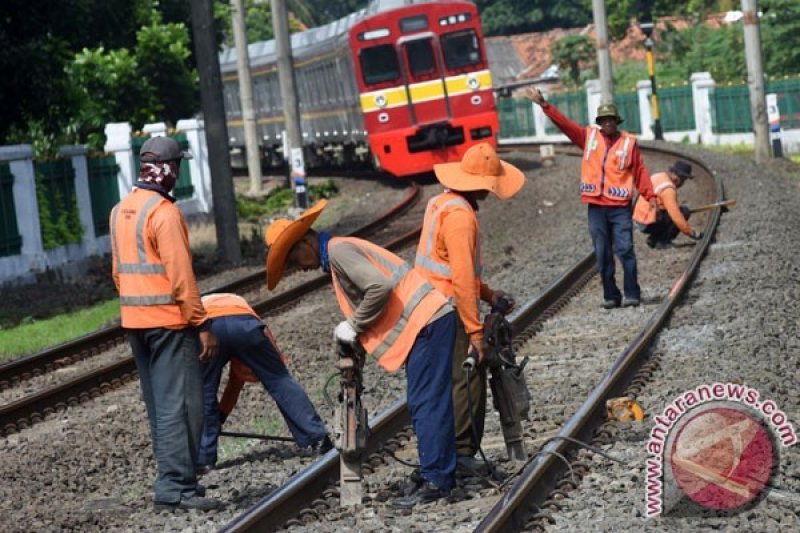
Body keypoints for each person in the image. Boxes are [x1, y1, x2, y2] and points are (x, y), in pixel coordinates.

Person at [264, 199, 457, 508]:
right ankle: (434, 469)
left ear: (306, 242)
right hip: (426, 323)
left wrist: (352, 326)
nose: (299, 269)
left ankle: (439, 479)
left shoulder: (339, 251)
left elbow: (378, 288)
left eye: (294, 260)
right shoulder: (337, 255)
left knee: (427, 402)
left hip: (428, 322)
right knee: (423, 401)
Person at [109, 136, 221, 512]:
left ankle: (175, 477)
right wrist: (201, 323)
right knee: (182, 406)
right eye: (178, 166)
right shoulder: (165, 213)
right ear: (169, 169)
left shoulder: (121, 209)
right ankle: (176, 487)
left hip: (135, 321)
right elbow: (181, 277)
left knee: (160, 406)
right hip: (169, 324)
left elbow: (118, 274)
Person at [413, 142, 525, 470]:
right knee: (468, 376)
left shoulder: (441, 202)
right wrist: (475, 333)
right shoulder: (462, 218)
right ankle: (463, 453)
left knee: (447, 380)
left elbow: (447, 266)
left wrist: (489, 295)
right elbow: (460, 279)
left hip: (428, 305)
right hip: (448, 310)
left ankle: (451, 450)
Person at [528, 88, 656, 309]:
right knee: (602, 252)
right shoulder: (588, 137)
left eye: (611, 120)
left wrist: (650, 195)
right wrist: (544, 105)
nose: (607, 123)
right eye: (603, 120)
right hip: (596, 207)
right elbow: (565, 125)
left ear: (617, 121)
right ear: (599, 122)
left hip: (620, 207)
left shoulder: (628, 143)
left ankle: (632, 293)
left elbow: (640, 171)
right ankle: (611, 295)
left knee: (625, 249)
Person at [197, 292, 332, 473]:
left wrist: (217, 420)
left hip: (209, 326)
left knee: (204, 391)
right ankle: (317, 437)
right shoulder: (245, 346)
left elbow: (232, 390)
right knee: (279, 380)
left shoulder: (238, 368)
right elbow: (277, 373)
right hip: (244, 324)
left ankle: (204, 460)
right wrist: (219, 418)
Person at [632, 159, 703, 248]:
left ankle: (653, 240)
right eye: (683, 180)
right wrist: (691, 232)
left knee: (667, 212)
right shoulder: (668, 189)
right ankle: (662, 242)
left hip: (638, 218)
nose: (683, 183)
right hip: (647, 223)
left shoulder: (658, 176)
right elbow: (676, 216)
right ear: (678, 178)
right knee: (684, 212)